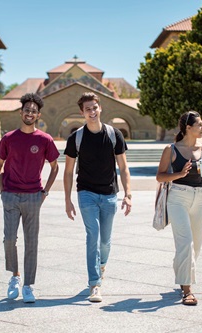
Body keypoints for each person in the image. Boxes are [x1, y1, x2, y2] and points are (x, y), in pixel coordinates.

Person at [63, 92, 132, 303]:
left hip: (110, 194)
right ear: (82, 113)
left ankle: (101, 265)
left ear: (100, 108)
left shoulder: (114, 135)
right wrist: (67, 200)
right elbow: (68, 171)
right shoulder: (76, 138)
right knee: (92, 236)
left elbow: (123, 166)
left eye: (94, 107)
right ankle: (94, 284)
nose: (92, 112)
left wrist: (128, 194)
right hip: (86, 193)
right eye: (87, 109)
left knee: (105, 241)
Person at [0, 93, 60, 303]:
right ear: (21, 112)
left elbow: (55, 167)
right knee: (9, 239)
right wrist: (2, 190)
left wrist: (45, 192)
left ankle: (28, 286)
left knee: (31, 242)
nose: (30, 113)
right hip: (11, 195)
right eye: (27, 110)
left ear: (38, 115)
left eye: (33, 111)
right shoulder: (9, 138)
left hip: (34, 196)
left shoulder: (44, 139)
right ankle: (14, 277)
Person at [156, 110, 202, 306]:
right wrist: (179, 174)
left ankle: (181, 268)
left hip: (199, 197)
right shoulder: (171, 149)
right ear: (188, 128)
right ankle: (187, 289)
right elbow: (160, 176)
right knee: (186, 242)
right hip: (177, 197)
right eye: (199, 125)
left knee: (197, 240)